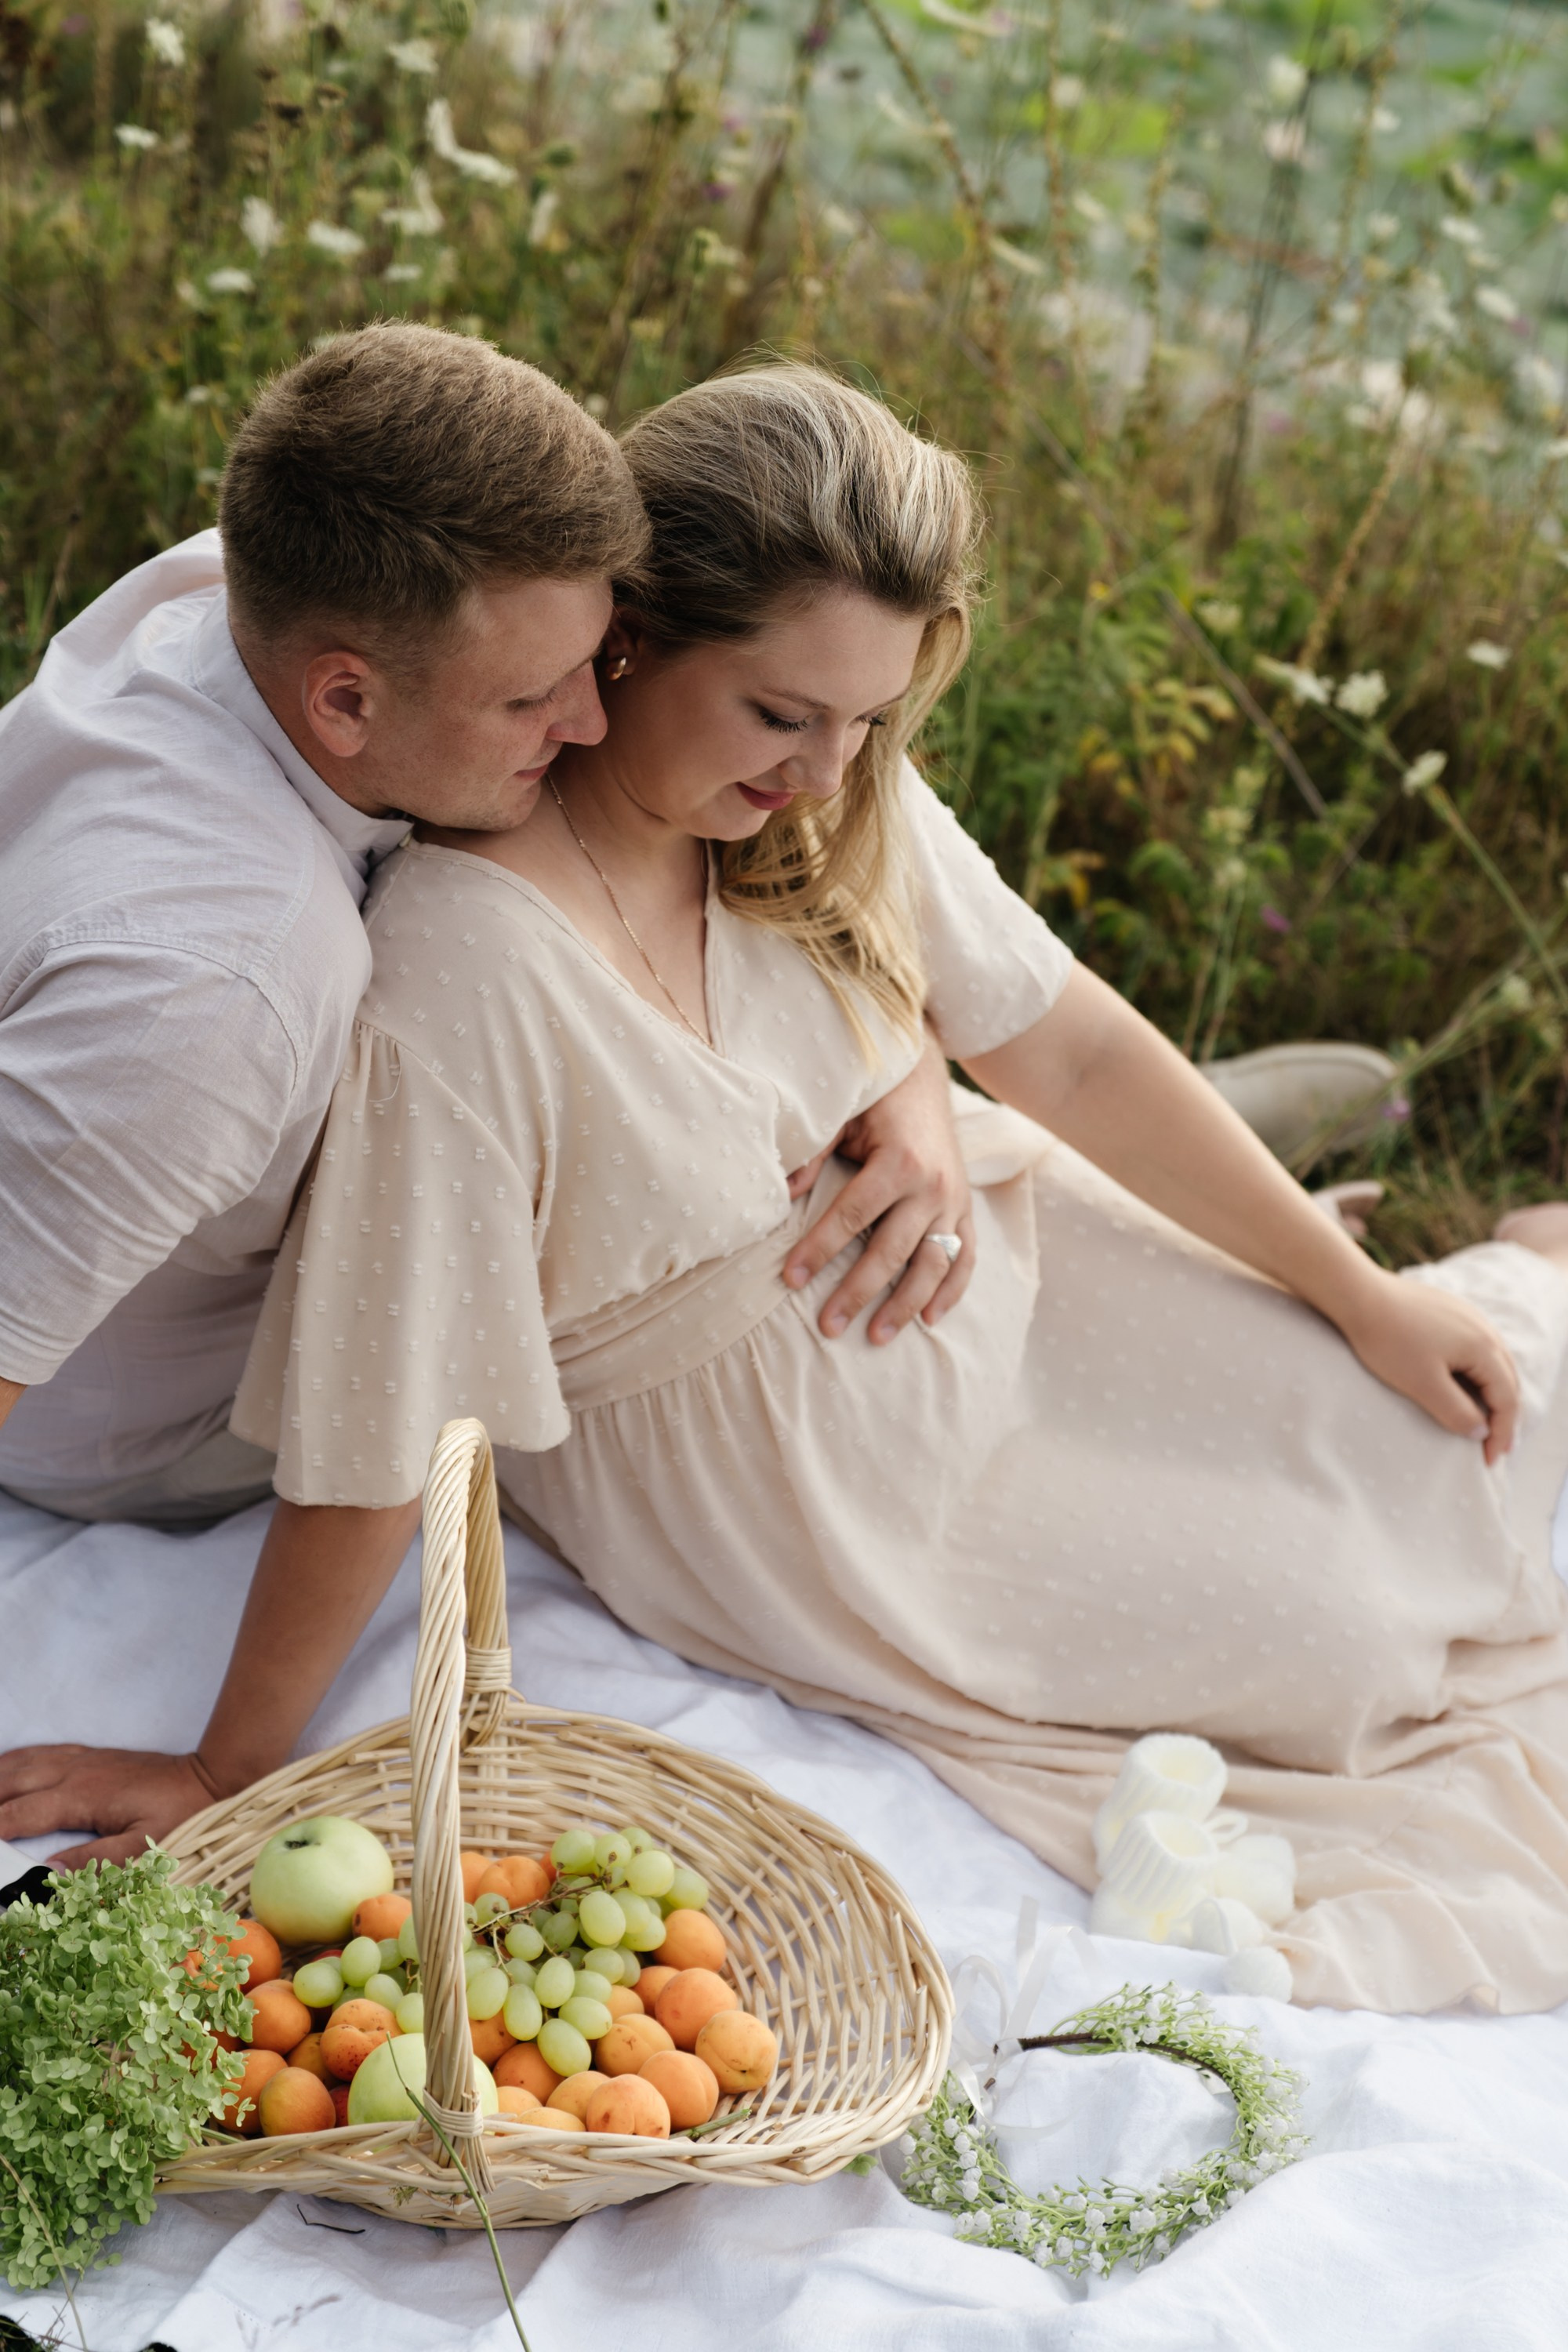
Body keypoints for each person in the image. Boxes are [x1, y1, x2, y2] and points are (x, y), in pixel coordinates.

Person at [25, 360, 1568, 2013]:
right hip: (809, 1487)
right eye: (782, 715)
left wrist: (1361, 1297)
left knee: (1445, 1427)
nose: (831, 772)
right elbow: (384, 1413)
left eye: (872, 721)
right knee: (1353, 1650)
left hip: (997, 1244)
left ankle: (1461, 1254)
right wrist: (225, 1766)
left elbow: (1067, 1049)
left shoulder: (810, 795)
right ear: (624, 639)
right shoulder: (463, 963)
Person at [0, 331, 976, 1848]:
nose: (586, 720)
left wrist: (911, 1062)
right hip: (163, 1426)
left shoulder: (250, 593)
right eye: (537, 700)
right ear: (341, 705)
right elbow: (392, 1369)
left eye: (595, 662)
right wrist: (221, 1768)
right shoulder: (229, 992)